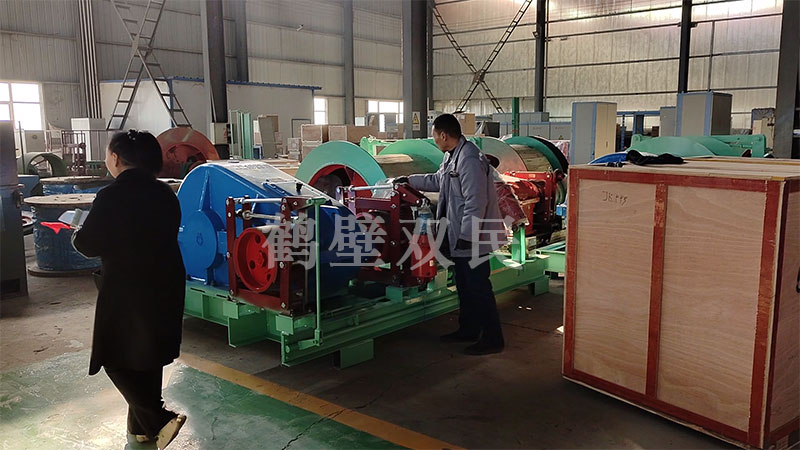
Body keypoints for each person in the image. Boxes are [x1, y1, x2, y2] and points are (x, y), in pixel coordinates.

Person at [72, 130, 187, 449]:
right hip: (166, 282)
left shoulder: (111, 196)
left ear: (116, 158)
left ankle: (158, 420)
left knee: (114, 356)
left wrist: (76, 233)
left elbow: (89, 244)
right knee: (148, 352)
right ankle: (141, 429)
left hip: (127, 286)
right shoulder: (166, 193)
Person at [396, 114, 506, 355]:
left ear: (443, 135)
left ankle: (493, 339)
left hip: (473, 237)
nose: (434, 139)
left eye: (434, 135)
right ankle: (468, 329)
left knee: (478, 287)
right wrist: (410, 181)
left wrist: (468, 235)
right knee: (465, 285)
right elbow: (438, 181)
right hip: (458, 235)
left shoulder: (469, 159)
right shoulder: (451, 156)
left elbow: (476, 201)